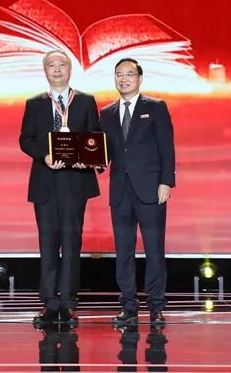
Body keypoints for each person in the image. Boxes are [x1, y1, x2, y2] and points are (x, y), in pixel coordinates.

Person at [19, 49, 101, 327]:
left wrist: (86, 159)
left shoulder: (86, 101)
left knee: (72, 242)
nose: (57, 69)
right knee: (47, 243)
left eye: (62, 64)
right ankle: (49, 303)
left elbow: (94, 137)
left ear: (70, 69)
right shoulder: (34, 103)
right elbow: (26, 139)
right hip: (45, 181)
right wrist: (44, 156)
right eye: (51, 65)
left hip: (75, 182)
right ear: (45, 71)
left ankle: (68, 302)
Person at [99, 57, 176, 328]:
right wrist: (92, 161)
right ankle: (128, 306)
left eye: (129, 74)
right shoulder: (107, 113)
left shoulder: (155, 107)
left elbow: (167, 148)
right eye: (119, 74)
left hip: (151, 189)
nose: (124, 79)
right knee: (124, 251)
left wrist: (166, 182)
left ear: (139, 78)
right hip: (120, 191)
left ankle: (156, 307)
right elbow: (104, 151)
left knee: (154, 249)